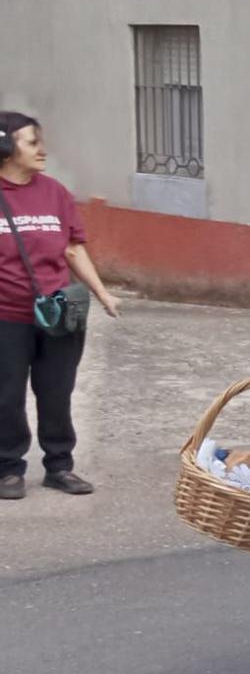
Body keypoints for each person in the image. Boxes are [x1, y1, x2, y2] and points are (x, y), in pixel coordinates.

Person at [0, 111, 120, 500]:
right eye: (32, 142)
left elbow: (72, 249)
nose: (42, 150)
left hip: (57, 313)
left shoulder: (54, 192)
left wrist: (102, 294)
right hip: (6, 317)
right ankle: (8, 469)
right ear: (5, 147)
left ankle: (59, 466)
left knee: (57, 391)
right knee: (6, 395)